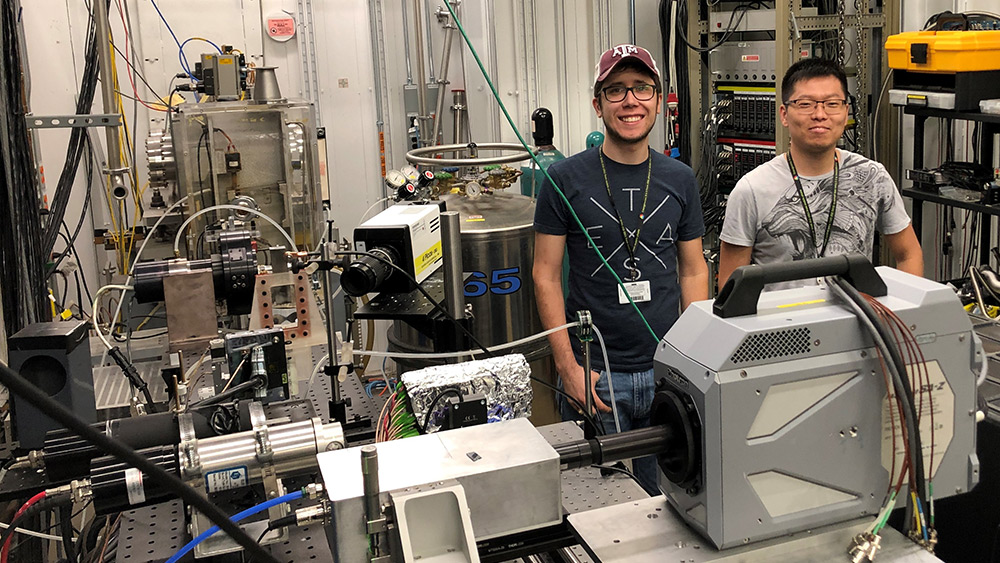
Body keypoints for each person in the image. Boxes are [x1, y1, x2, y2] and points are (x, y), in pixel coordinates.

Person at [532, 44, 708, 494]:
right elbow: (545, 275)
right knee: (597, 502)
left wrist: (695, 361)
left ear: (657, 98)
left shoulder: (680, 178)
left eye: (642, 88)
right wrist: (568, 366)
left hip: (666, 368)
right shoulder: (564, 179)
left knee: (669, 497)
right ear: (598, 103)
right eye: (616, 90)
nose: (631, 100)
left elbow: (692, 272)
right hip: (596, 374)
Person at [718, 58, 923, 288]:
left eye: (832, 103)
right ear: (784, 115)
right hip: (785, 322)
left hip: (857, 318)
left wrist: (898, 312)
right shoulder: (752, 190)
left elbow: (909, 255)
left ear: (846, 113)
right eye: (805, 104)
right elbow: (730, 284)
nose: (820, 114)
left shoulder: (873, 176)